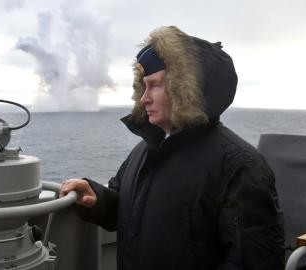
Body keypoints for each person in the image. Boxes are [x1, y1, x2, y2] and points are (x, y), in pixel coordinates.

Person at [59, 26, 285, 269]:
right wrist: (97, 198)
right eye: (143, 86)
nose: (144, 98)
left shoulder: (239, 166)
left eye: (155, 85)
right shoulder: (145, 150)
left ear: (186, 89)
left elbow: (254, 262)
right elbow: (127, 207)